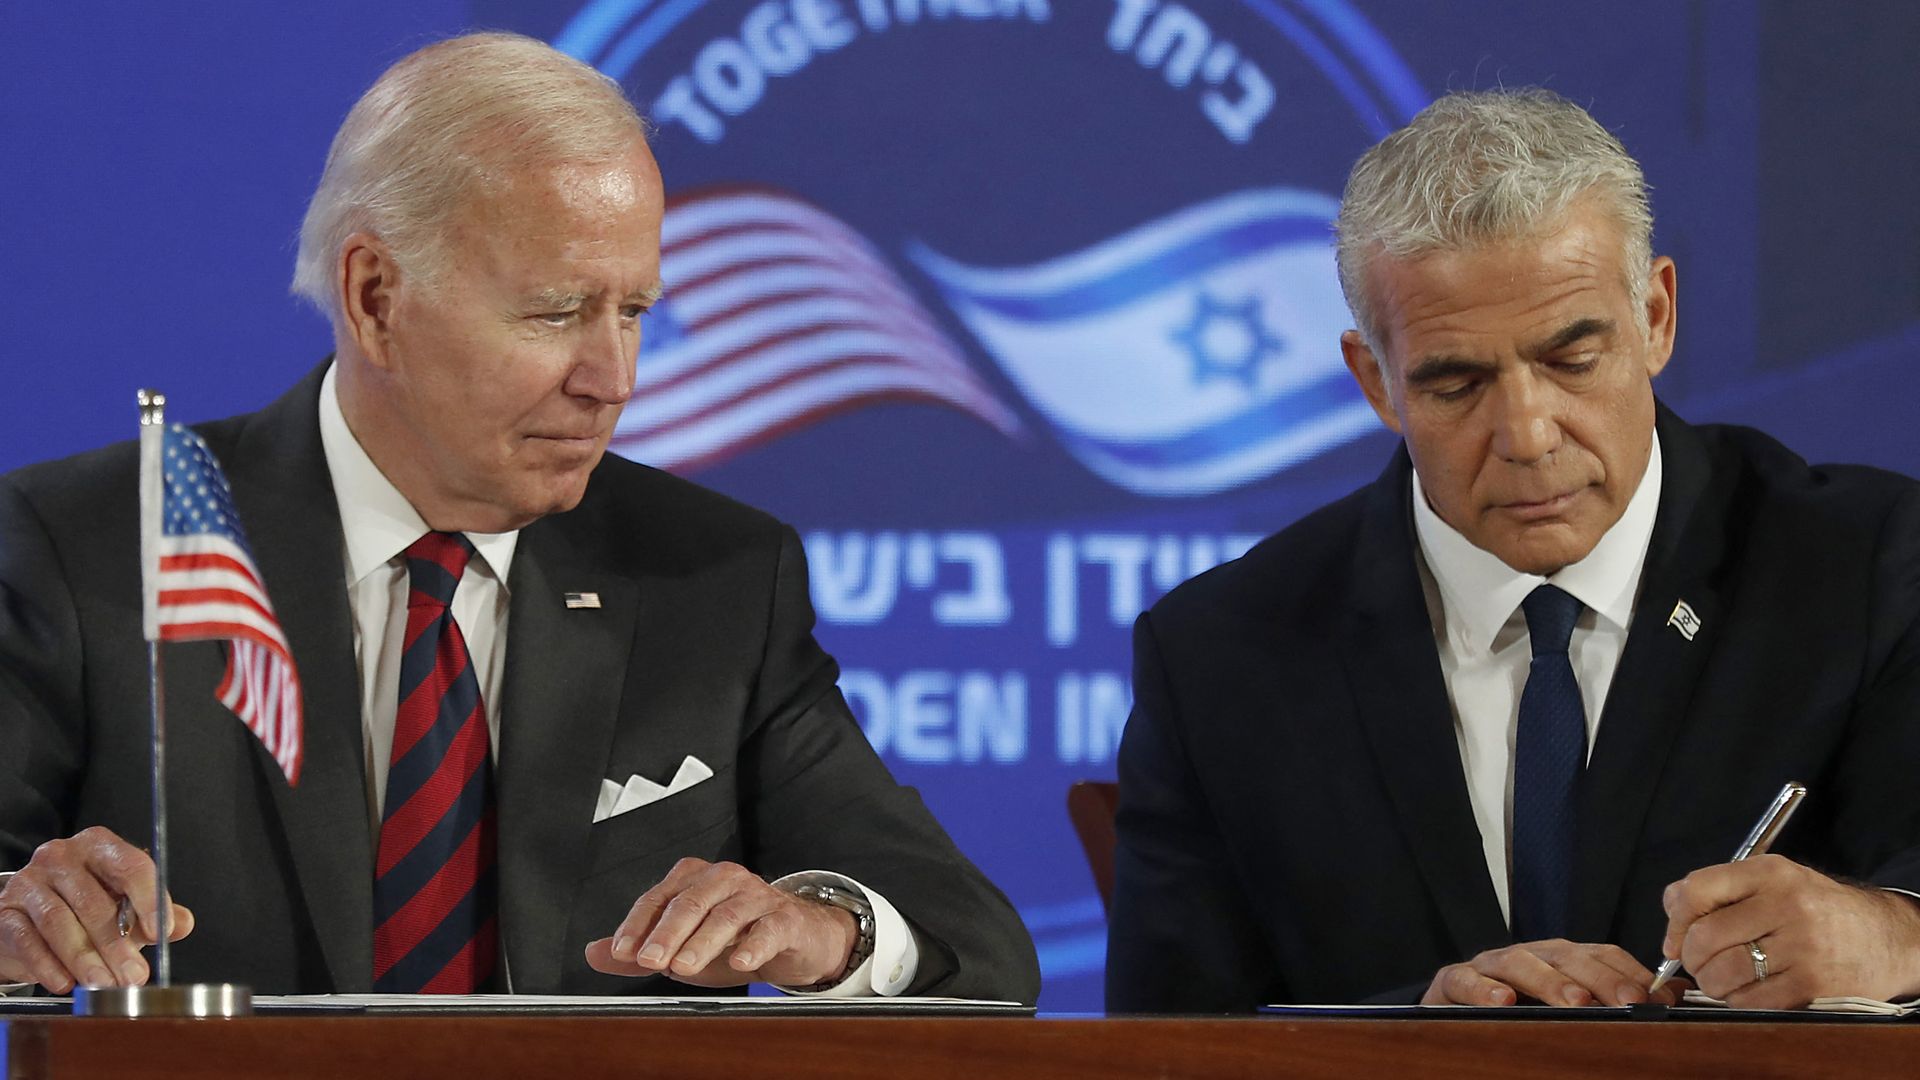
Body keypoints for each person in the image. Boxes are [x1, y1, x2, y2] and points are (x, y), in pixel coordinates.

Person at [0, 32, 1039, 1002]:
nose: (613, 379)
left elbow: (978, 947)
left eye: (632, 311)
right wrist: (20, 922)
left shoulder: (710, 576)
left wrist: (825, 932)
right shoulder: (92, 546)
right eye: (555, 313)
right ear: (375, 299)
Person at [1106, 88, 1920, 1013]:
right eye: (1457, 384)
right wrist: (1416, 1041)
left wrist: (1892, 933)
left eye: (1573, 360)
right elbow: (1167, 1043)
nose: (1529, 435)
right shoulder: (1220, 655)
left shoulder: (1869, 569)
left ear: (1654, 316)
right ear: (1376, 381)